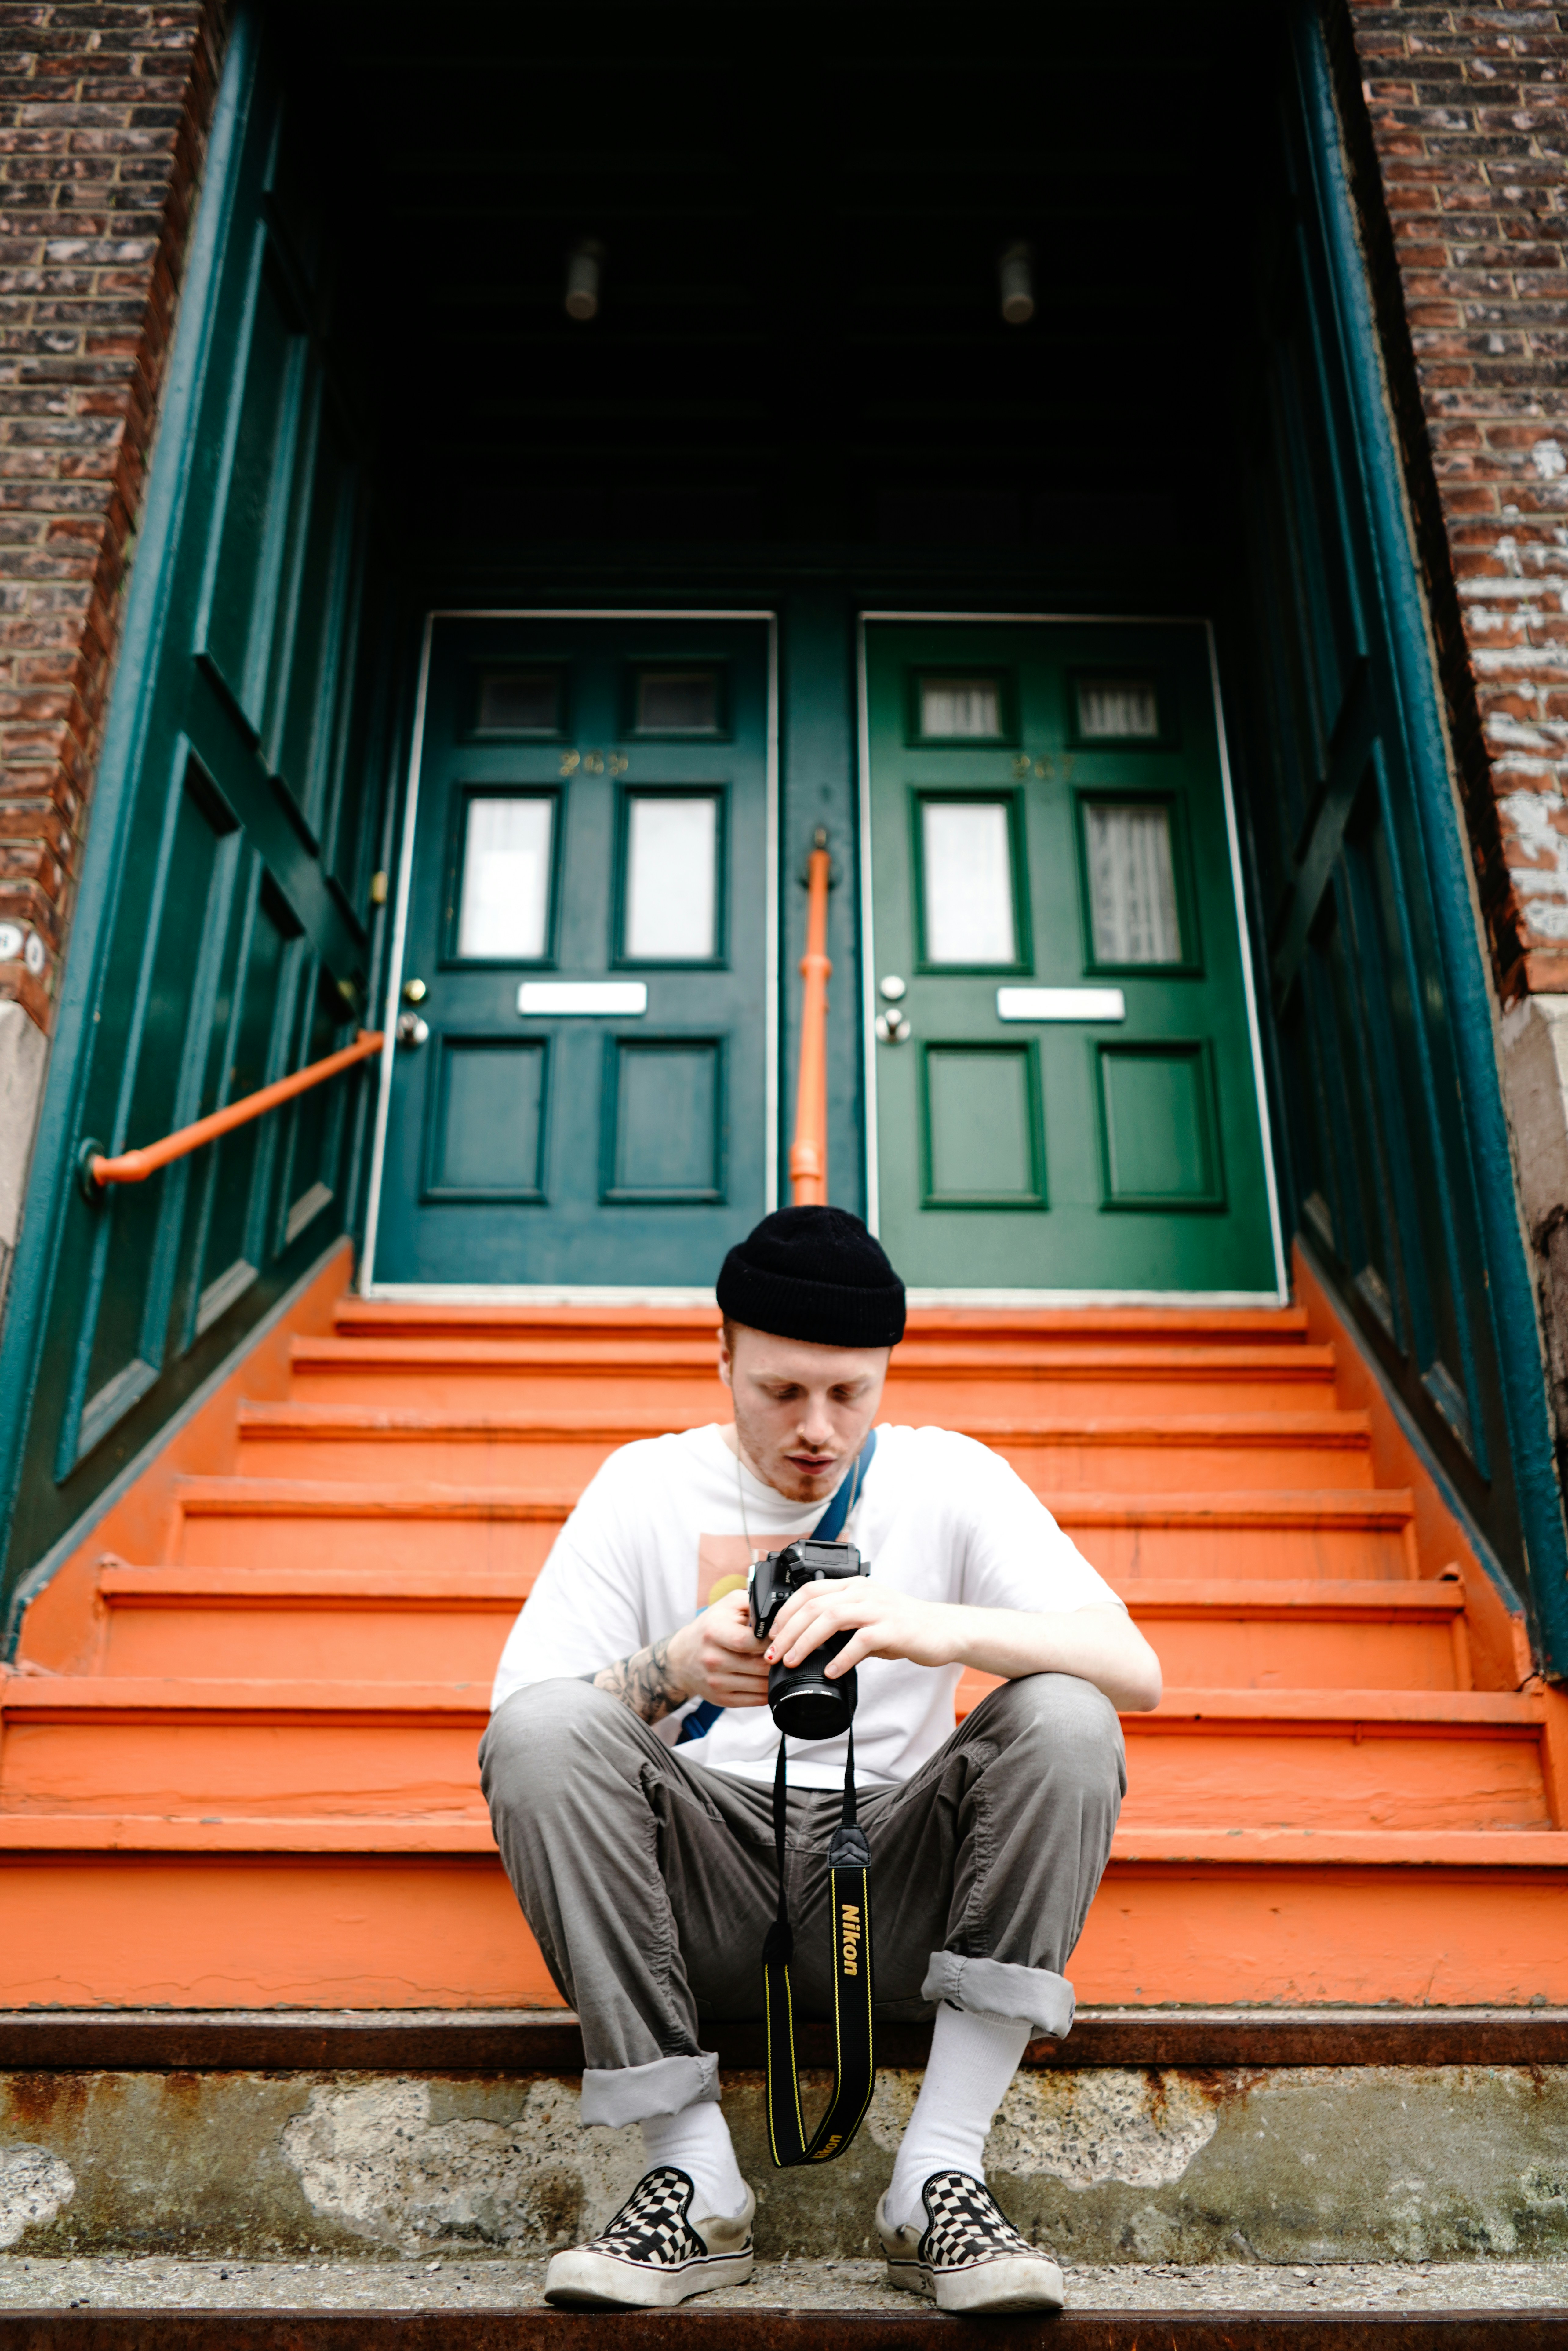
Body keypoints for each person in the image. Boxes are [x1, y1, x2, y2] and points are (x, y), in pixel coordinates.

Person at [480, 1205, 1162, 2313]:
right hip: (699, 1886)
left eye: (852, 1393)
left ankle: (941, 2172)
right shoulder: (643, 1486)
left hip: (888, 1878)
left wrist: (938, 1626)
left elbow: (1135, 1668)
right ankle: (692, 2174)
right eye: (782, 1391)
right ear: (723, 1357)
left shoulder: (950, 1478)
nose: (817, 1429)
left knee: (1068, 1714)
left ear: (889, 1372)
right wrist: (669, 1669)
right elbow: (518, 1727)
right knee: (548, 1730)